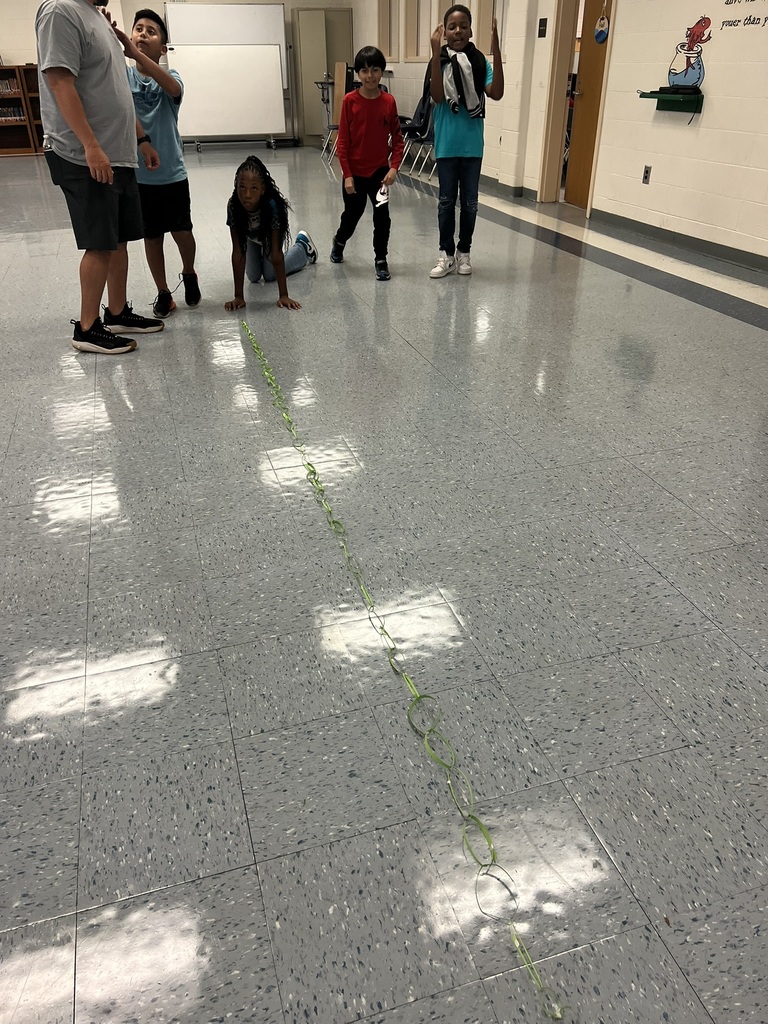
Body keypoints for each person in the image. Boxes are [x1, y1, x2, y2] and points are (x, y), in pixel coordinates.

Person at [35, 0, 164, 354]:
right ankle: (87, 328)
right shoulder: (60, 11)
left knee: (119, 238)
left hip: (117, 152)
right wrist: (91, 145)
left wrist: (141, 138)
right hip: (82, 153)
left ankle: (117, 311)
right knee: (100, 242)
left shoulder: (97, 18)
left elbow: (115, 89)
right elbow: (60, 81)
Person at [116, 8, 200, 318]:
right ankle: (164, 292)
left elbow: (174, 89)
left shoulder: (171, 76)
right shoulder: (123, 76)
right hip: (139, 176)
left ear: (162, 47)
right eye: (138, 29)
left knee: (182, 232)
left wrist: (137, 57)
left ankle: (189, 273)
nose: (142, 34)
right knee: (152, 237)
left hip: (171, 173)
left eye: (151, 31)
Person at [428, 5, 504, 278]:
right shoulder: (438, 60)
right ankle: (446, 254)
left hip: (472, 145)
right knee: (446, 202)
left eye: (463, 26)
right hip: (447, 145)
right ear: (444, 31)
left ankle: (464, 252)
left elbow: (495, 93)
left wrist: (497, 51)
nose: (457, 30)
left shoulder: (479, 61)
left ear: (471, 30)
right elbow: (438, 96)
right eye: (452, 26)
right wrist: (435, 54)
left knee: (470, 203)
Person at [330, 46, 404, 281]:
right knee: (353, 214)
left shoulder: (388, 102)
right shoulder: (349, 102)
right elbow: (342, 142)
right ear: (358, 74)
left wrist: (393, 167)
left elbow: (398, 140)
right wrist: (347, 175)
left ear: (381, 72)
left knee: (382, 217)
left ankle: (381, 259)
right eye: (364, 71)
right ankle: (340, 240)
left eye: (375, 70)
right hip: (355, 174)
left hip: (380, 174)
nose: (370, 76)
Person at [224, 154, 316, 312]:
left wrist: (284, 295)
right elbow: (238, 252)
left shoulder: (273, 207)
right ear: (235, 186)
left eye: (254, 188)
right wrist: (238, 296)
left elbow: (276, 254)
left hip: (267, 236)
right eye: (242, 187)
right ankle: (261, 258)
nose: (247, 195)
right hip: (251, 238)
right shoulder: (234, 205)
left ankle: (302, 246)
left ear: (262, 189)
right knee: (253, 277)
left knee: (269, 275)